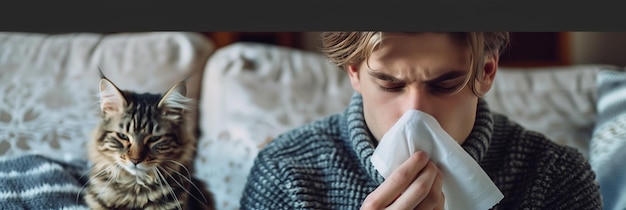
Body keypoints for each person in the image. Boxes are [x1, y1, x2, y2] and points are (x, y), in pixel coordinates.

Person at [239, 32, 602, 209]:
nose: (415, 113)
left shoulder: (554, 176)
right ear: (354, 73)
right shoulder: (287, 173)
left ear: (487, 72)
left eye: (445, 84)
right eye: (390, 84)